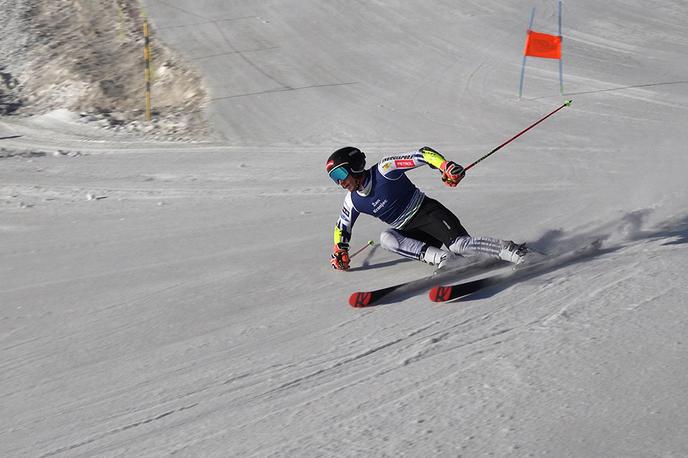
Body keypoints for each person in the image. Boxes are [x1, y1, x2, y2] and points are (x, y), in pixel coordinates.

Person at [326, 146, 528, 271]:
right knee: (387, 238)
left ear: (354, 166)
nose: (340, 182)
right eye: (335, 178)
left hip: (428, 213)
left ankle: (516, 251)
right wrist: (339, 250)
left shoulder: (384, 169)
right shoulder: (352, 200)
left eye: (341, 174)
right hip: (410, 230)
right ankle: (444, 259)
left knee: (461, 245)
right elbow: (342, 227)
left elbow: (422, 155)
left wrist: (445, 166)